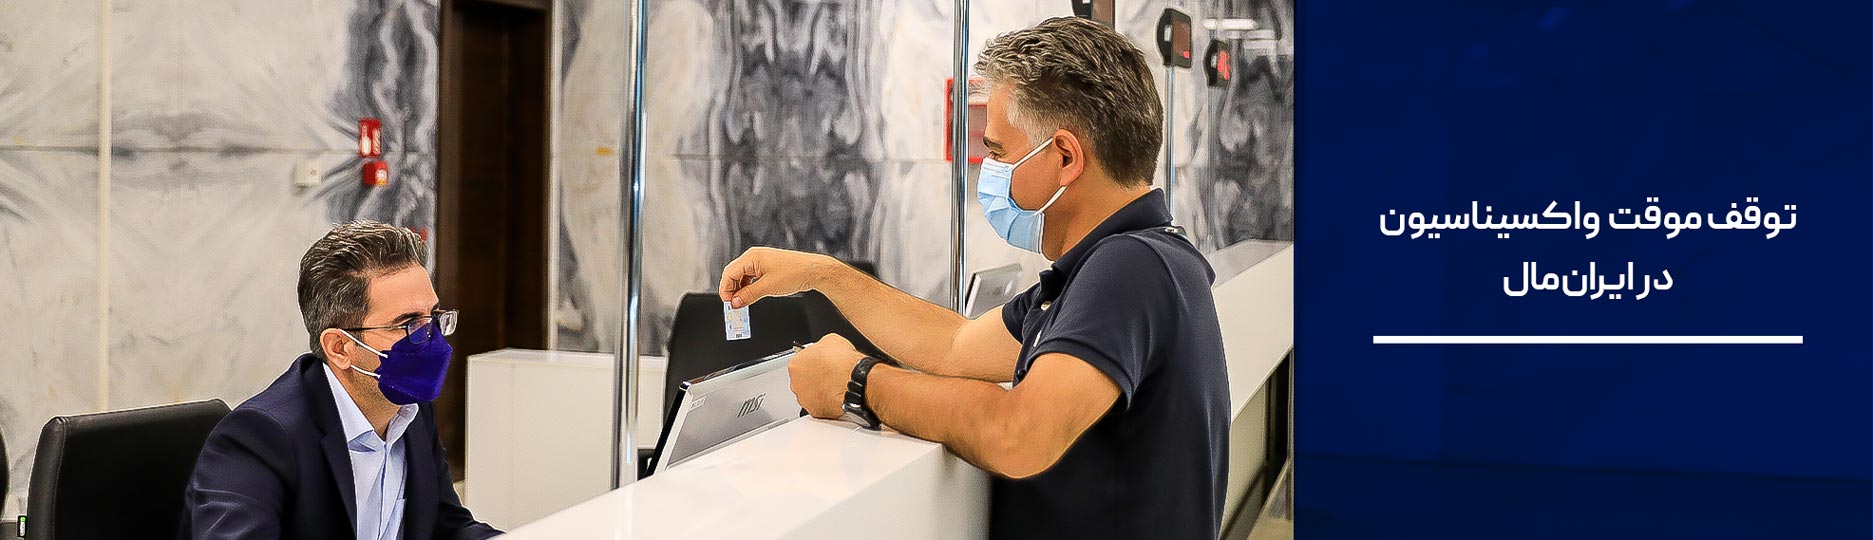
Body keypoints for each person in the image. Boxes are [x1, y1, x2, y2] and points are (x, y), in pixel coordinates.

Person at [717, 17, 1228, 540]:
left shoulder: (1130, 268)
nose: (992, 171)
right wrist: (822, 274)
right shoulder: (1130, 262)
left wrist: (856, 382)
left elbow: (1018, 435)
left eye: (1000, 153)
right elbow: (955, 346)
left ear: (1065, 157)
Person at [184, 220, 499, 540]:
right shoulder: (259, 437)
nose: (431, 339)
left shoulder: (410, 410)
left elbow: (448, 526)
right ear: (339, 348)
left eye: (432, 317)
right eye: (408, 324)